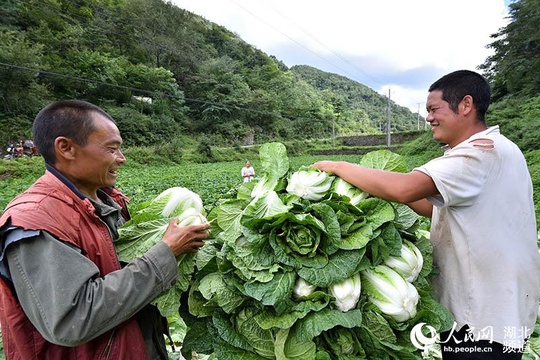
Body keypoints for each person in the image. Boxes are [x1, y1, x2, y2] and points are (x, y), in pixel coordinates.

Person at [311, 70, 540, 359]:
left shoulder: (478, 154)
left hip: (482, 314)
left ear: (466, 105)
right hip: (498, 307)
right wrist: (381, 192)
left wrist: (339, 167)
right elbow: (434, 209)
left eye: (434, 109)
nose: (428, 118)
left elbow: (406, 189)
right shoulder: (501, 148)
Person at [0, 100, 210, 359]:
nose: (121, 159)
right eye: (112, 149)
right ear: (66, 148)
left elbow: (127, 276)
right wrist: (166, 253)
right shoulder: (36, 220)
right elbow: (72, 318)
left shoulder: (109, 201)